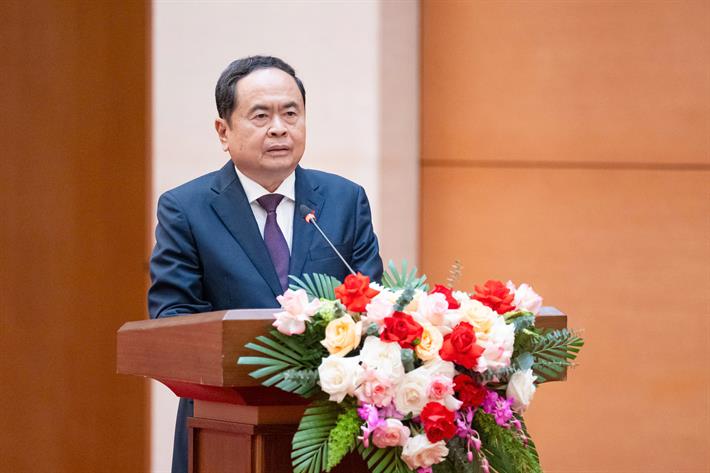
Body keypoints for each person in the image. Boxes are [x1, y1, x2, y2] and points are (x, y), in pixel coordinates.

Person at [147, 56, 383, 473]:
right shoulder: (186, 209)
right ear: (223, 131)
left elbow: (373, 308)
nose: (279, 128)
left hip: (331, 427)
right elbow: (173, 320)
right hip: (224, 430)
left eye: (291, 113)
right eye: (261, 116)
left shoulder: (345, 200)